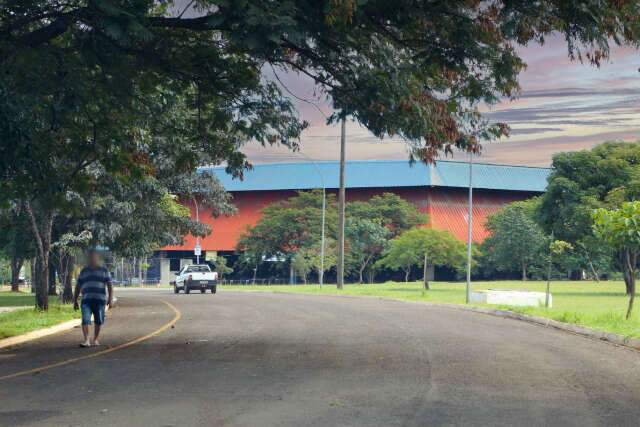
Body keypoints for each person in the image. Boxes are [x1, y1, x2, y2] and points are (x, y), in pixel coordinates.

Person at [73, 249, 113, 347]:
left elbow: (110, 285)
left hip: (100, 301)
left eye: (94, 256)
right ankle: (86, 340)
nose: (92, 259)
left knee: (98, 321)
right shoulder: (84, 271)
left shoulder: (104, 271)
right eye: (90, 257)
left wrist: (110, 299)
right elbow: (78, 286)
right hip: (86, 301)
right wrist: (75, 300)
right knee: (85, 320)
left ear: (98, 258)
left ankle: (95, 339)